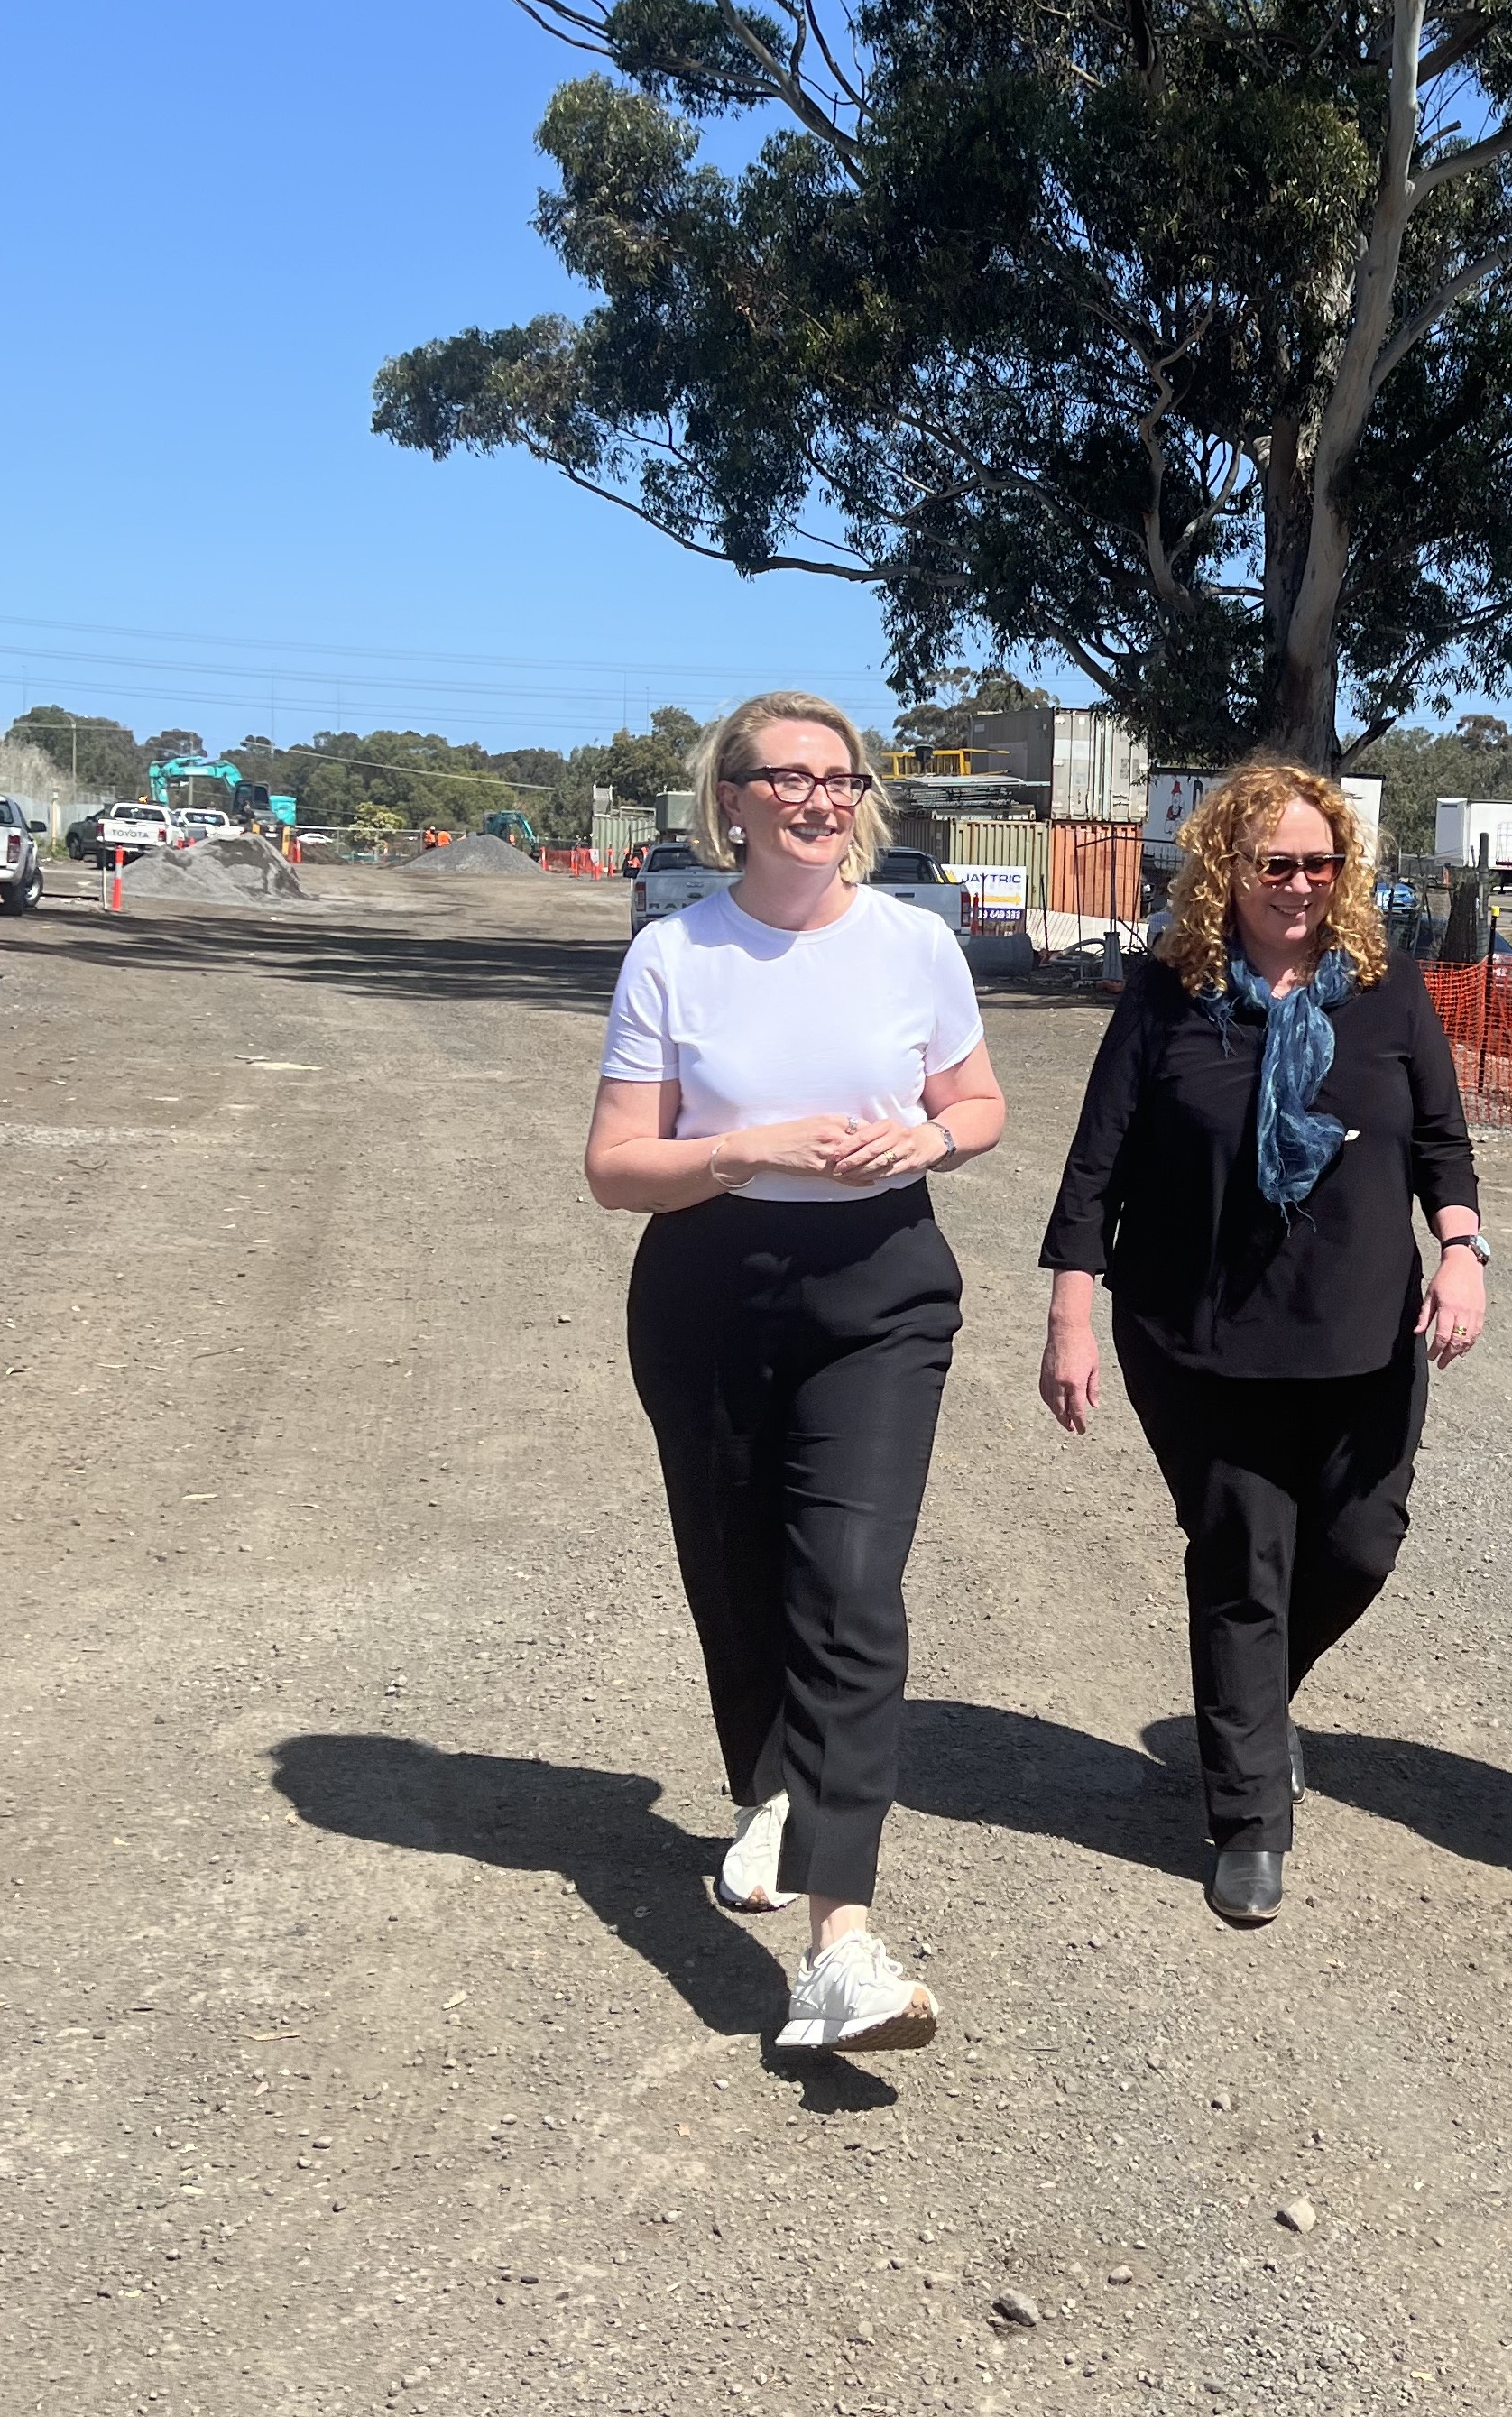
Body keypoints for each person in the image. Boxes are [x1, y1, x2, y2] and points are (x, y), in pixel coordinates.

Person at [585, 691, 1005, 2053]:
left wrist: (932, 1147)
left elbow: (982, 1103)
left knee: (850, 1588)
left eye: (838, 778)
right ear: (734, 801)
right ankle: (770, 1784)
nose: (817, 799)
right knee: (738, 1572)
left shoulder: (916, 945)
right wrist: (748, 1149)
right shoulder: (672, 954)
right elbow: (614, 1167)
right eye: (786, 779)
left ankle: (842, 1942)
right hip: (708, 1288)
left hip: (882, 1288)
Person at [1038, 760, 1486, 1927]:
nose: (1297, 885)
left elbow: (1441, 1137)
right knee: (1244, 1565)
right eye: (1272, 863)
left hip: (1364, 1332)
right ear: (1224, 872)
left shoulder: (1384, 992)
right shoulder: (1167, 995)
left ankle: (1252, 1706)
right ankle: (1246, 1820)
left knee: (1362, 1543)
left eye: (1318, 864)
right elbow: (1099, 1163)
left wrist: (1464, 1251)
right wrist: (1071, 1315)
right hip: (1202, 1337)